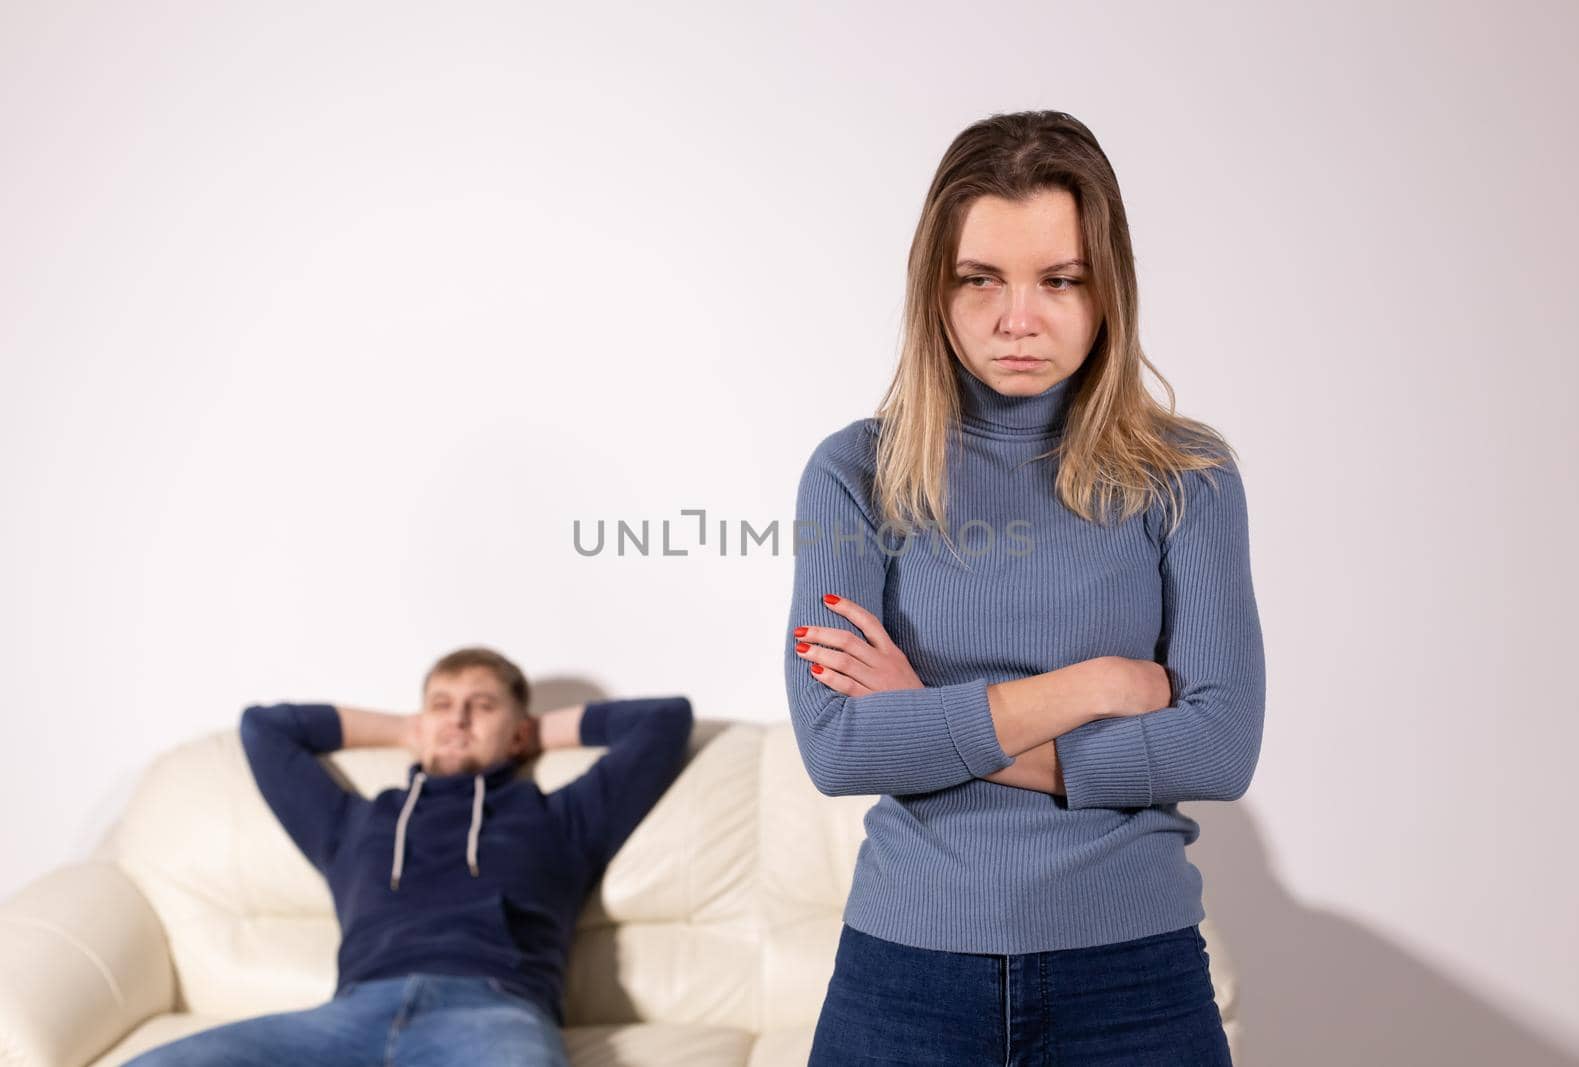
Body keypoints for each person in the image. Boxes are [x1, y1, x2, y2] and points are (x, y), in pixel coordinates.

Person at [784, 109, 1264, 1066]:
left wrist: (927, 718)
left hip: (1133, 975)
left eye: (1059, 280)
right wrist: (1092, 688)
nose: (1018, 318)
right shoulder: (856, 474)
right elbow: (838, 745)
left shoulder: (1188, 477)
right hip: (906, 976)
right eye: (981, 279)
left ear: (1107, 289)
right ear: (936, 288)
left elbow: (1219, 747)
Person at [127, 645, 694, 1067]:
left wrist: (531, 731)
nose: (458, 719)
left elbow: (665, 720)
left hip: (492, 1013)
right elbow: (264, 729)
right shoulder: (352, 824)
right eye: (442, 705)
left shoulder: (560, 819)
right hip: (347, 1017)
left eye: (482, 706)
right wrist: (408, 730)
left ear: (519, 734)